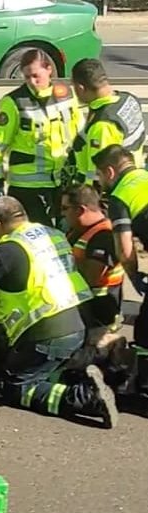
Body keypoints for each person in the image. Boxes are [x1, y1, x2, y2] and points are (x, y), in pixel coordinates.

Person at [0, 196, 116, 427]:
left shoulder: (6, 250)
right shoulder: (52, 233)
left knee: (16, 386)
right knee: (40, 367)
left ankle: (87, 398)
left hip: (48, 332)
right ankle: (78, 376)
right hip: (80, 322)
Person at [0, 48, 82, 227]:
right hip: (27, 188)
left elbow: (80, 136)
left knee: (63, 237)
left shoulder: (67, 95)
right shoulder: (14, 102)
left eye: (36, 75)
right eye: (27, 76)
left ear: (49, 69)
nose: (32, 81)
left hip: (62, 183)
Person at [96, 145, 148, 396]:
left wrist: (136, 279)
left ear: (110, 172)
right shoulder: (145, 177)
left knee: (146, 328)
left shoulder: (120, 196)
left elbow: (125, 252)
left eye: (99, 176)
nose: (100, 182)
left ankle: (141, 386)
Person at [65, 58, 146, 188]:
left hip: (109, 191)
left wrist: (90, 196)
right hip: (134, 178)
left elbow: (101, 173)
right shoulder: (128, 99)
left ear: (80, 88)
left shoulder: (103, 125)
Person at [60, 184, 124, 340]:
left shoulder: (104, 235)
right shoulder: (79, 229)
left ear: (80, 210)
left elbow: (90, 277)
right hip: (82, 311)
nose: (62, 213)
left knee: (95, 356)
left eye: (65, 208)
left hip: (100, 316)